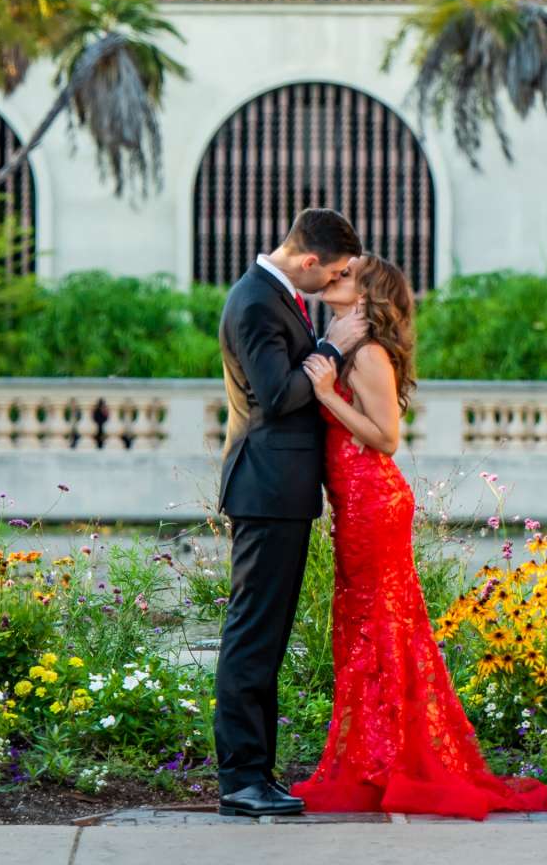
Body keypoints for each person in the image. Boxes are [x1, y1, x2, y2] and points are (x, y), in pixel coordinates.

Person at [290, 255, 547, 820]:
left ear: (366, 299)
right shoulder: (347, 347)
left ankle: (395, 761)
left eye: (345, 277)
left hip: (374, 504)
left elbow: (385, 438)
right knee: (366, 629)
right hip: (355, 504)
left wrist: (328, 396)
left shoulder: (369, 355)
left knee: (383, 630)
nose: (332, 280)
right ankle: (375, 755)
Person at [212, 206, 368, 818]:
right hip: (265, 487)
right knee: (251, 634)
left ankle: (259, 775)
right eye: (329, 275)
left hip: (282, 491)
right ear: (308, 260)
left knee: (266, 636)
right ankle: (241, 780)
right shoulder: (254, 302)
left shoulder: (278, 297)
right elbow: (276, 395)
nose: (331, 286)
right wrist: (333, 345)